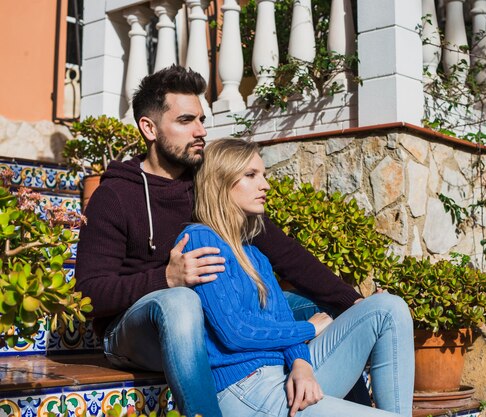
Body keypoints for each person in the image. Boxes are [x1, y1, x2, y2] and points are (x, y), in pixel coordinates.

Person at [75, 65, 364, 417]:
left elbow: (284, 252)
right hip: (136, 331)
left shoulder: (207, 183)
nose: (200, 131)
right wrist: (164, 279)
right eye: (185, 121)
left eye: (200, 119)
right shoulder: (115, 196)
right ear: (149, 128)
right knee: (181, 303)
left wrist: (353, 302)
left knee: (328, 311)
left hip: (213, 315)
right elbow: (89, 293)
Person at [177, 138, 414, 417]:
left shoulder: (255, 255)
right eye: (251, 175)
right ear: (220, 182)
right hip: (244, 389)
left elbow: (281, 321)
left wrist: (301, 363)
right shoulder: (200, 239)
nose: (264, 185)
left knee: (388, 307)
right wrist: (309, 331)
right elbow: (234, 333)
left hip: (282, 377)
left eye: (263, 175)